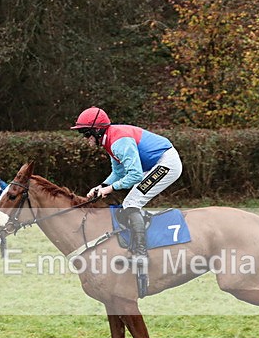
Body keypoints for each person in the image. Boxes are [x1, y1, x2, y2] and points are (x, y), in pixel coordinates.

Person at [70, 106, 182, 267]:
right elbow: (119, 172)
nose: (85, 138)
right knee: (128, 204)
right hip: (154, 164)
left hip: (166, 163)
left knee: (131, 203)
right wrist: (101, 186)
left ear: (97, 131)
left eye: (86, 133)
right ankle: (136, 244)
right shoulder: (109, 140)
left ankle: (141, 255)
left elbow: (135, 175)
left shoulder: (118, 142)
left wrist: (109, 189)